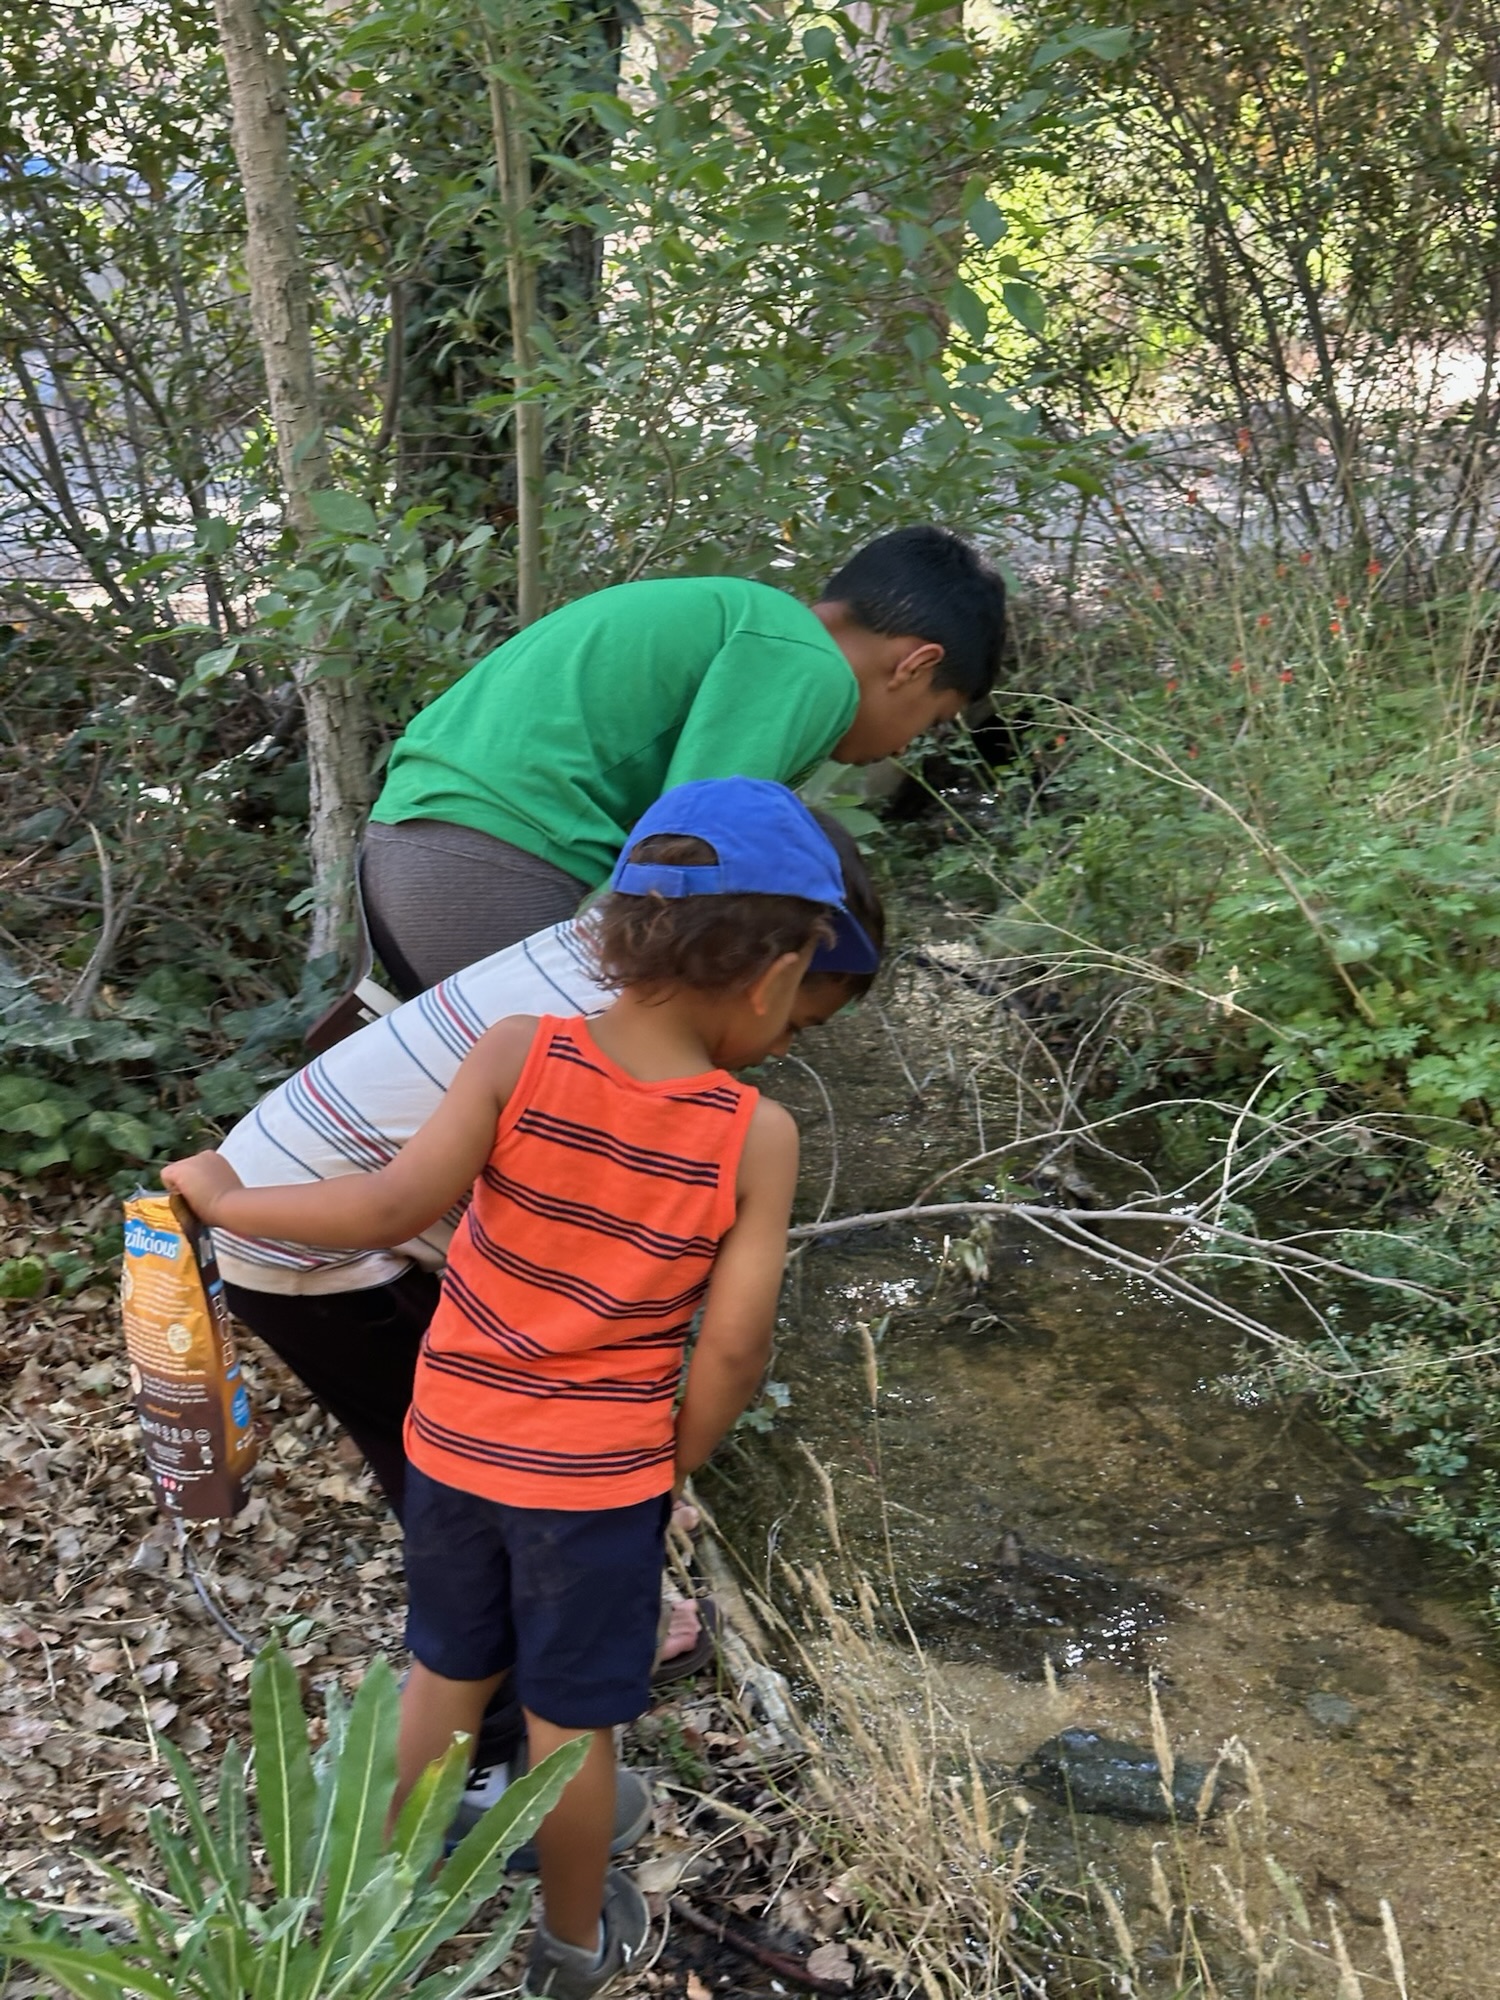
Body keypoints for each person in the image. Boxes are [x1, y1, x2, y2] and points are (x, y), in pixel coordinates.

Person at [165, 778, 873, 1999]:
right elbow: (735, 1350)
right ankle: (570, 1941)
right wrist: (669, 1464)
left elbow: (384, 1209)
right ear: (771, 974)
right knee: (572, 1722)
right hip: (595, 1484)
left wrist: (226, 1196)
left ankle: (369, 1909)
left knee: (445, 1669)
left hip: (450, 1441)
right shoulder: (752, 1135)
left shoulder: (514, 1052)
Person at [362, 524, 1003, 993]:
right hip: (490, 868)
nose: (902, 748)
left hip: (409, 849)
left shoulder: (749, 621)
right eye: (931, 721)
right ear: (917, 665)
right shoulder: (809, 665)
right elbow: (691, 850)